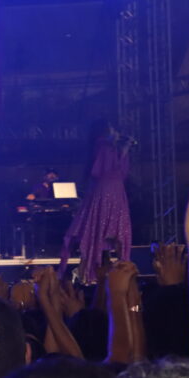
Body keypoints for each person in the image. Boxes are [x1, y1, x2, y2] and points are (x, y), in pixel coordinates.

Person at [59, 121, 133, 282]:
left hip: (117, 190)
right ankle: (91, 270)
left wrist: (124, 151)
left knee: (119, 229)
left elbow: (123, 172)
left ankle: (119, 267)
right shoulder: (102, 145)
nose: (116, 132)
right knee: (100, 226)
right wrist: (115, 147)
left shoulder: (116, 148)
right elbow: (101, 170)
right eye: (113, 129)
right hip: (105, 189)